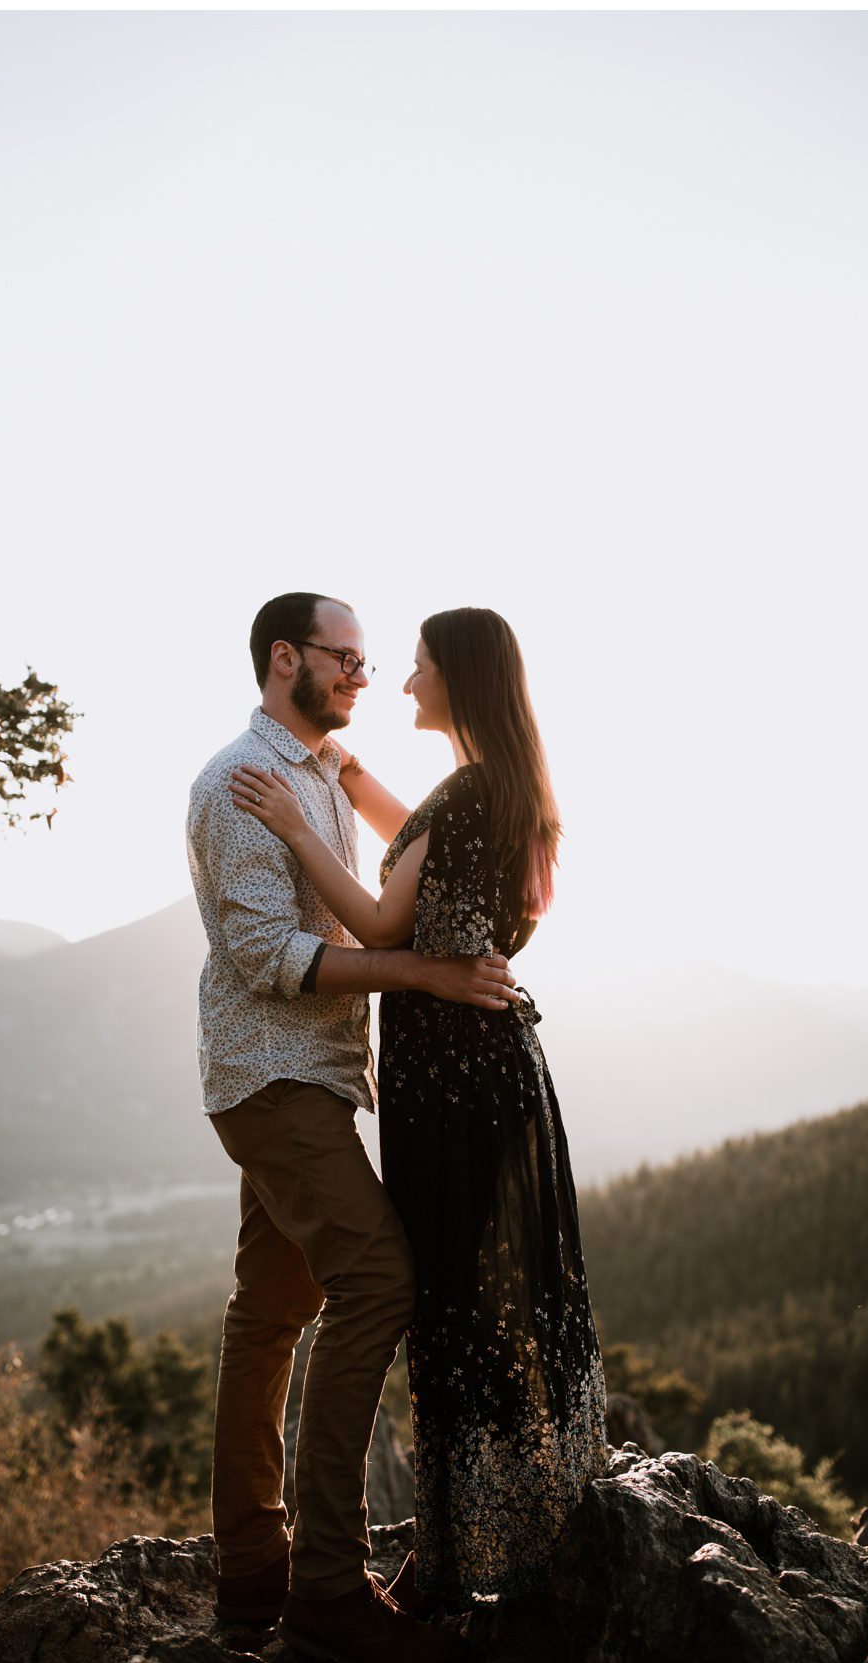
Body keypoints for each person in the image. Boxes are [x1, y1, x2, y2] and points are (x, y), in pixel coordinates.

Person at [229, 606, 609, 1610]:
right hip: (500, 1067)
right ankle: (516, 1528)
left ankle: (456, 1558)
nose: (400, 683)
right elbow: (425, 847)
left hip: (451, 1078)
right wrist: (353, 783)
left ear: (459, 679)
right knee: (496, 1294)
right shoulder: (508, 788)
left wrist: (297, 824)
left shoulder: (471, 789)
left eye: (418, 666)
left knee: (448, 1299)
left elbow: (379, 915)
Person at [186, 591, 519, 1663]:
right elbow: (267, 954)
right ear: (285, 659)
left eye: (376, 662)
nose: (365, 677)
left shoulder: (326, 774)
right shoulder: (241, 784)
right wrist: (419, 970)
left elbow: (423, 833)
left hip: (320, 1076)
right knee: (377, 1279)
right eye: (347, 658)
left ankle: (250, 1572)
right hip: (272, 1076)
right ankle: (326, 1582)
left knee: (273, 1308)